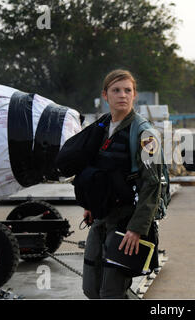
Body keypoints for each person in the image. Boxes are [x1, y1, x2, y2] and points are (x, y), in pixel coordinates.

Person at [79, 69, 162, 299]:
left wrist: (136, 228)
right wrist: (89, 203)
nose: (122, 95)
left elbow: (152, 185)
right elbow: (93, 171)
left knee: (112, 292)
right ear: (105, 95)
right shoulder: (101, 128)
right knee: (91, 289)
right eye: (116, 90)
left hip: (126, 221)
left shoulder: (146, 134)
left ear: (134, 95)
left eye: (128, 90)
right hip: (100, 217)